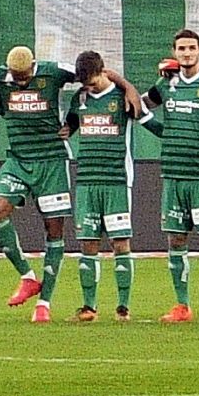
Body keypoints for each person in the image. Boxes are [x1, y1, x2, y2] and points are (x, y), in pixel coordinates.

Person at [138, 29, 199, 323]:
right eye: (181, 48)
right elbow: (141, 105)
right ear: (175, 51)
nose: (186, 53)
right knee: (176, 239)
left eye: (191, 48)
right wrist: (160, 130)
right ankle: (182, 306)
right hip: (173, 174)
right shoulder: (167, 84)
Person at [0, 44, 69, 319]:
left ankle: (44, 304)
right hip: (17, 160)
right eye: (15, 74)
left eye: (24, 74)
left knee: (53, 231)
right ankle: (27, 276)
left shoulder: (53, 72)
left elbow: (93, 73)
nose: (19, 80)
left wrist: (124, 86)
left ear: (34, 65)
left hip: (52, 161)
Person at [61, 50, 139, 323]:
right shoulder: (79, 98)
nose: (89, 88)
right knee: (88, 245)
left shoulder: (121, 97)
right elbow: (71, 123)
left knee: (120, 243)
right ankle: (89, 307)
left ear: (104, 71)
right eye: (86, 84)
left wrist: (127, 86)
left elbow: (142, 113)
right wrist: (66, 130)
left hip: (116, 179)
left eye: (93, 82)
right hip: (86, 180)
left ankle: (123, 307)